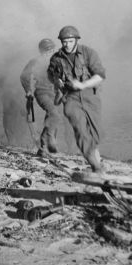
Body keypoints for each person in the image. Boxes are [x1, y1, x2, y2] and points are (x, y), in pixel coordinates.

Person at [48, 25, 105, 173]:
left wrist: (83, 84)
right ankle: (96, 166)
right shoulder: (56, 58)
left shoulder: (88, 53)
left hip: (90, 96)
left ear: (76, 40)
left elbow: (100, 75)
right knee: (81, 130)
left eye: (70, 41)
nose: (67, 44)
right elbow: (50, 74)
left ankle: (96, 157)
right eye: (64, 41)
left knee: (96, 133)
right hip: (70, 98)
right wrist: (56, 81)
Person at [20, 38, 62, 157]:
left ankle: (47, 147)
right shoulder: (35, 61)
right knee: (54, 115)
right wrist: (28, 91)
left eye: (51, 49)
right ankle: (44, 146)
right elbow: (24, 76)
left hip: (54, 93)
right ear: (41, 51)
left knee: (53, 117)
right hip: (42, 92)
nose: (49, 52)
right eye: (46, 50)